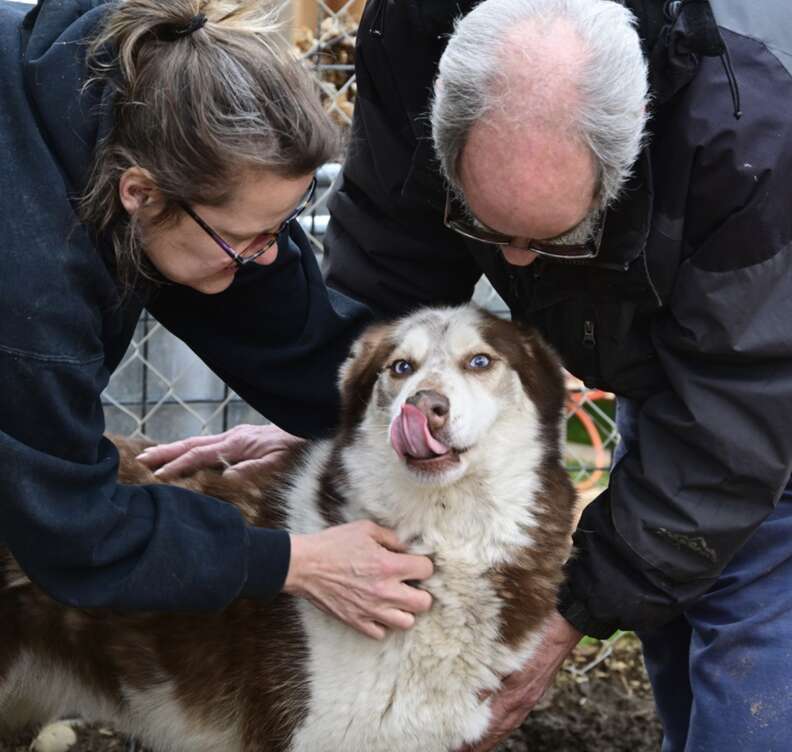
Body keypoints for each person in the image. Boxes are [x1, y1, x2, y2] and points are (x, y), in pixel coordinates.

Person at [157, 0, 792, 749]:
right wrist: (351, 432)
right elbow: (392, 268)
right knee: (678, 616)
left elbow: (735, 420)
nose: (513, 262)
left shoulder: (746, 130)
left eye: (554, 238)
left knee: (750, 633)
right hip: (686, 362)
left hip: (767, 373)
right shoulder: (412, 32)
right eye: (487, 228)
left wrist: (569, 613)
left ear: (636, 137)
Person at [0, 0, 434, 642]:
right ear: (140, 194)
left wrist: (406, 409)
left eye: (279, 227)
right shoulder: (32, 294)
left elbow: (300, 344)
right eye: (245, 237)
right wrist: (300, 562)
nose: (267, 256)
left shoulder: (148, 92)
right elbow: (74, 529)